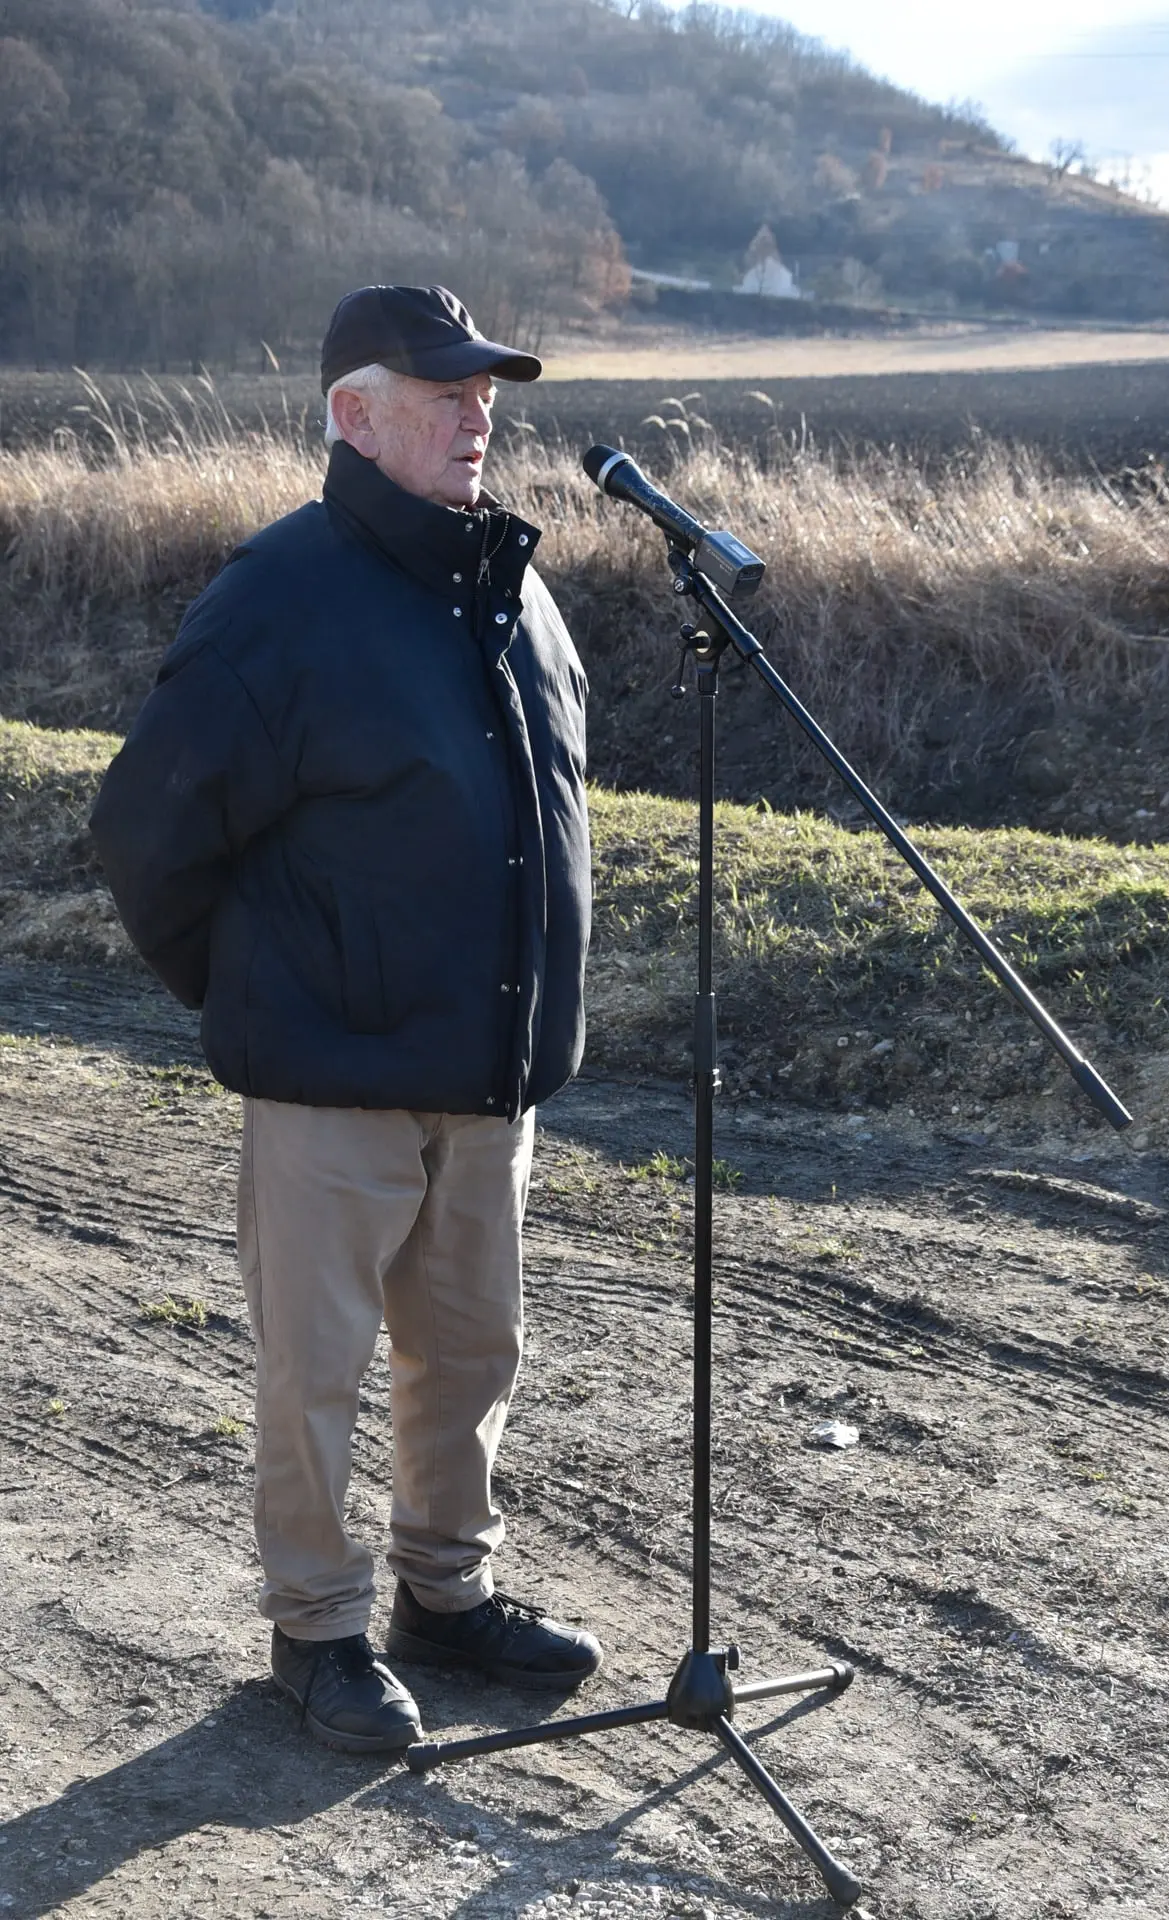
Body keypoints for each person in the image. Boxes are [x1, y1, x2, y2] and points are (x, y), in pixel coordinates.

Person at [90, 284, 601, 1753]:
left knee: (473, 1350)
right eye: (441, 391)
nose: (476, 411)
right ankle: (317, 1631)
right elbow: (147, 834)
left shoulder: (514, 587)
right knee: (316, 1374)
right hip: (331, 1082)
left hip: (485, 1076)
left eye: (484, 388)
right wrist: (264, 993)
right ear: (352, 416)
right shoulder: (281, 595)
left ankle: (445, 1595)